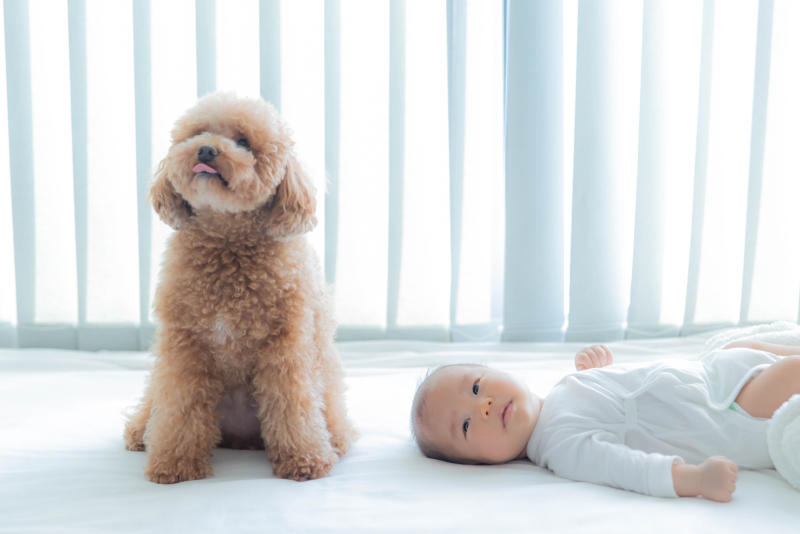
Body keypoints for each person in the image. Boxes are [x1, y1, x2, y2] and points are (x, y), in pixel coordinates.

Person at [410, 340, 800, 502]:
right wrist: (692, 480)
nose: (484, 406)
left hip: (711, 377)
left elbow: (620, 402)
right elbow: (626, 468)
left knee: (740, 349)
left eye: (477, 387)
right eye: (465, 426)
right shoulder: (559, 446)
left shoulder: (559, 396)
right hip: (725, 413)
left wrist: (602, 371)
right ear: (481, 463)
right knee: (789, 373)